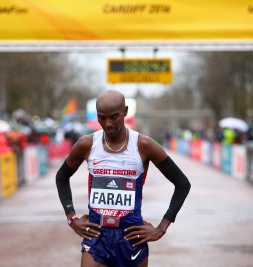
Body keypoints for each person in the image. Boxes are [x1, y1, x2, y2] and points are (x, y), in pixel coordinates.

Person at [55, 89, 191, 267]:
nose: (108, 123)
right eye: (102, 118)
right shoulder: (87, 145)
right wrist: (72, 218)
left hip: (131, 238)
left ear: (125, 112)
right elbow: (61, 177)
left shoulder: (144, 145)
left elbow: (182, 184)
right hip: (97, 237)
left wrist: (161, 228)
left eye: (114, 116)